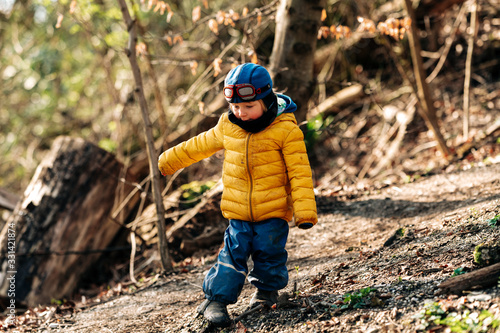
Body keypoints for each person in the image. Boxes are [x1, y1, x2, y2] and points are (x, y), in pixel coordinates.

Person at [158, 63, 317, 327]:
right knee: (233, 255)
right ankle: (215, 300)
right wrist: (167, 161)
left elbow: (300, 172)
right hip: (238, 211)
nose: (241, 113)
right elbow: (198, 145)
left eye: (248, 107)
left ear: (266, 100)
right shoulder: (228, 126)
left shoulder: (286, 130)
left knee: (270, 253)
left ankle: (266, 293)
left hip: (273, 211)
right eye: (235, 107)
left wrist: (305, 211)